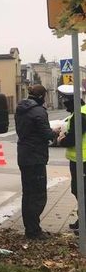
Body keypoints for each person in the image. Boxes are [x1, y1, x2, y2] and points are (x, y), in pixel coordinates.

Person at [15, 85, 55, 239]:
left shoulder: (21, 109)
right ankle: (33, 231)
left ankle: (30, 228)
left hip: (24, 156)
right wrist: (54, 132)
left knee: (28, 194)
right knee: (38, 195)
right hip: (36, 158)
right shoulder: (38, 111)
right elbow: (46, 134)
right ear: (41, 96)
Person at [56, 85, 86, 232]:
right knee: (79, 190)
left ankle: (84, 225)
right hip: (79, 159)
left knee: (80, 191)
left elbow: (73, 139)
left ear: (71, 101)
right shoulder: (80, 112)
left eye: (65, 101)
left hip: (82, 161)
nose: (63, 104)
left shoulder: (80, 115)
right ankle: (82, 220)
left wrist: (61, 140)